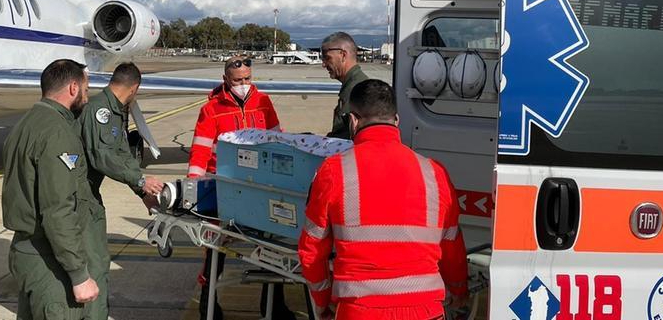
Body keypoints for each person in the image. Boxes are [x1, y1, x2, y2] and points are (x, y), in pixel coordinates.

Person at [298, 79, 469, 320]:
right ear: (396, 120)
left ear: (353, 121)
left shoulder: (334, 171)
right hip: (424, 310)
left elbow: (312, 250)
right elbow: (452, 247)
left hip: (359, 311)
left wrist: (322, 302)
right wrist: (459, 290)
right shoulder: (434, 172)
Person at [187, 55, 292, 320]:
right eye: (237, 81)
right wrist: (192, 189)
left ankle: (274, 305)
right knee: (215, 249)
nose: (244, 85)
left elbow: (278, 140)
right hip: (225, 187)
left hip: (260, 187)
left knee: (273, 247)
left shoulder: (264, 102)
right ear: (225, 80)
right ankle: (208, 304)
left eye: (247, 79)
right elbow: (200, 151)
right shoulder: (211, 109)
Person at [2, 59, 100, 320]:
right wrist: (79, 275)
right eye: (86, 90)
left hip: (25, 252)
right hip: (49, 261)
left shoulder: (25, 124)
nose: (87, 97)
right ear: (73, 88)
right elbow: (58, 210)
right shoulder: (57, 133)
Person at [78, 62, 164, 319]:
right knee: (95, 264)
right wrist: (141, 180)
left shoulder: (114, 110)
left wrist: (143, 194)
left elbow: (122, 154)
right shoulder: (101, 111)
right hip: (79, 197)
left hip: (87, 195)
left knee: (92, 262)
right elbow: (102, 156)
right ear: (134, 88)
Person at [321, 31, 369, 139]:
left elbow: (344, 138)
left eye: (327, 58)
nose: (324, 64)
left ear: (343, 55)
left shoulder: (355, 89)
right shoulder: (355, 84)